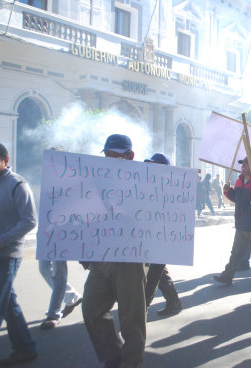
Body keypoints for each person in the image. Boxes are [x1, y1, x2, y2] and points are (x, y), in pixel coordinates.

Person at [82, 134, 147, 368]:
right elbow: (86, 216)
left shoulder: (145, 182)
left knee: (132, 321)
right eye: (107, 155)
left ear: (130, 157)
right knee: (91, 309)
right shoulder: (95, 181)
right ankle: (114, 355)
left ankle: (130, 363)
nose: (110, 160)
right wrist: (84, 248)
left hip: (130, 259)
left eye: (116, 156)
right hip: (102, 258)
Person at [0, 142, 38, 366]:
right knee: (7, 304)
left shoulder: (18, 185)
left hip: (6, 257)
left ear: (6, 161)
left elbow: (29, 221)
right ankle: (25, 347)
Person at [38, 146, 83, 330]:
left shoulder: (73, 180)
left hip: (64, 233)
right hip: (48, 232)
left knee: (59, 273)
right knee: (43, 268)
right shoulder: (48, 179)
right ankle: (72, 297)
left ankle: (53, 313)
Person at [213, 157, 251, 287]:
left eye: (246, 165)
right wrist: (228, 191)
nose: (243, 167)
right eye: (242, 164)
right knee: (236, 252)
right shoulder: (239, 181)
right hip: (241, 224)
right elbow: (236, 198)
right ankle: (227, 276)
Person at [143, 153, 182, 317]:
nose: (150, 167)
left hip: (161, 238)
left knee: (151, 278)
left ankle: (140, 310)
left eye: (154, 165)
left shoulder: (170, 188)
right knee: (159, 272)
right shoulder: (146, 184)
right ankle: (174, 303)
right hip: (148, 237)